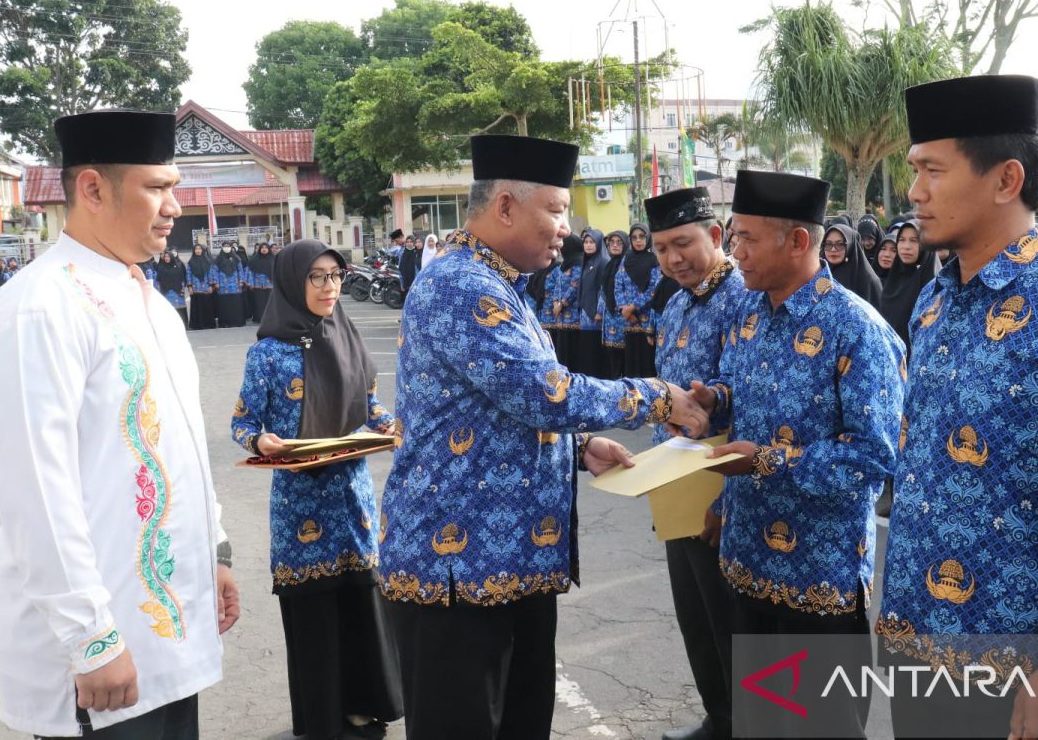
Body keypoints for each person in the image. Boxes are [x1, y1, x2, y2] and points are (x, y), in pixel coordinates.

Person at [378, 133, 709, 740]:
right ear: (505, 206)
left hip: (510, 561)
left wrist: (580, 448)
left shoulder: (500, 281)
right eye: (556, 209)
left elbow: (497, 405)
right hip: (460, 567)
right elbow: (544, 392)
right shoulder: (463, 285)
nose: (566, 226)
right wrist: (659, 396)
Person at [877, 74, 1038, 740]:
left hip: (1018, 668)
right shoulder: (936, 302)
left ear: (1005, 179)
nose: (914, 193)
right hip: (916, 642)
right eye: (914, 172)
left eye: (931, 171)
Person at [0, 109, 240, 739]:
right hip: (98, 655)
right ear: (92, 189)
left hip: (165, 639)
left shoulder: (149, 301)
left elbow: (178, 447)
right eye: (156, 187)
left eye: (174, 186)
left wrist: (215, 549)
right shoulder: (38, 309)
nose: (174, 206)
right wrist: (91, 638)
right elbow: (36, 492)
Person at [692, 170, 904, 739]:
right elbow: (747, 401)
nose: (734, 253)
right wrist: (714, 400)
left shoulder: (856, 329)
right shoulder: (750, 314)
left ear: (798, 242)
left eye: (746, 239)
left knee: (821, 729)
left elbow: (874, 455)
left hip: (818, 582)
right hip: (746, 564)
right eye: (732, 238)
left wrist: (765, 461)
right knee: (759, 725)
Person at [232, 239, 403, 740]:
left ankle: (361, 704)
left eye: (335, 277)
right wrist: (261, 439)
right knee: (314, 612)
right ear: (292, 282)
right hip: (299, 503)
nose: (329, 288)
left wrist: (393, 430)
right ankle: (323, 716)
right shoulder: (266, 353)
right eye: (317, 278)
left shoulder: (348, 337)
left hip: (351, 497)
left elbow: (373, 410)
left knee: (358, 603)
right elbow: (243, 422)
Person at [645, 187, 744, 740]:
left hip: (724, 482)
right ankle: (720, 717)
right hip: (675, 481)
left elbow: (750, 398)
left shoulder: (744, 298)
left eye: (682, 243)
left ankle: (744, 721)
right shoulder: (676, 303)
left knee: (733, 621)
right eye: (661, 249)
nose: (672, 259)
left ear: (716, 235)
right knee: (696, 616)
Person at [878, 219, 940, 350]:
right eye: (901, 240)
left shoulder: (935, 286)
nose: (906, 246)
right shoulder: (893, 281)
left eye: (914, 240)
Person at [617, 223, 662, 376]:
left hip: (646, 320)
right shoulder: (625, 260)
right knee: (632, 362)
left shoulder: (654, 260)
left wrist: (633, 306)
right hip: (629, 320)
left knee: (646, 361)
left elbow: (654, 289)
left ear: (648, 238)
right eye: (634, 237)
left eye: (642, 237)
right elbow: (618, 285)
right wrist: (624, 309)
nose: (638, 241)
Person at [823, 223, 883, 309]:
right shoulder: (819, 274)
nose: (833, 249)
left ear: (851, 246)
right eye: (828, 244)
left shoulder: (868, 281)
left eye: (840, 244)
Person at [575, 228, 609, 377]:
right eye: (586, 242)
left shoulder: (603, 261)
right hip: (585, 313)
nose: (588, 245)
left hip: (596, 315)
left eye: (592, 242)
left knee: (595, 351)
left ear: (599, 243)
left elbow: (604, 289)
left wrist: (599, 311)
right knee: (587, 350)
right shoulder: (587, 260)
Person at [551, 233, 584, 366]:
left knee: (573, 354)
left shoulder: (578, 263)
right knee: (562, 352)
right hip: (560, 317)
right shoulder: (563, 265)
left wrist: (562, 304)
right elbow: (557, 286)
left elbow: (575, 285)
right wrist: (555, 303)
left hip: (574, 316)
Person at [599, 230, 629, 378]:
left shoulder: (628, 263)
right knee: (612, 358)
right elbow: (603, 290)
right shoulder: (609, 264)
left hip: (624, 317)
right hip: (609, 316)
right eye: (612, 242)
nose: (615, 245)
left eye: (619, 242)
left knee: (624, 358)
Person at [213, 241, 246, 328]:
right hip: (223, 286)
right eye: (225, 246)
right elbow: (215, 271)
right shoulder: (218, 258)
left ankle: (237, 322)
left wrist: (241, 281)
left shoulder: (236, 258)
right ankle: (225, 323)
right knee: (225, 305)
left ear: (231, 247)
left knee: (235, 304)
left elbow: (240, 270)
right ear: (222, 247)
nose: (226, 248)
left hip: (235, 285)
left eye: (228, 246)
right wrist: (216, 282)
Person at [186, 244, 217, 330]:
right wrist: (189, 286)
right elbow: (188, 274)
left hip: (206, 288)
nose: (198, 250)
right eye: (196, 249)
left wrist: (211, 286)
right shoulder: (190, 262)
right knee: (197, 308)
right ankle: (197, 325)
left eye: (199, 249)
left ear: (202, 250)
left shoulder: (208, 261)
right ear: (194, 250)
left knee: (207, 307)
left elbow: (211, 274)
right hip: (195, 289)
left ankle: (208, 324)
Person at [155, 249, 188, 326]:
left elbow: (182, 279)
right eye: (165, 257)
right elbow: (158, 280)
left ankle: (182, 325)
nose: (166, 258)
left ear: (171, 257)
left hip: (178, 292)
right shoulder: (161, 268)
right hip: (166, 292)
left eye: (168, 256)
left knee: (179, 310)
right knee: (168, 310)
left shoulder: (178, 267)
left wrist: (182, 290)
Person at [246, 242, 274, 323]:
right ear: (260, 249)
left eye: (266, 248)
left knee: (270, 303)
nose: (264, 249)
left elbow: (277, 272)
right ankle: (260, 319)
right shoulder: (254, 259)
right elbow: (250, 272)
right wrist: (251, 283)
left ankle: (270, 319)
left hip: (270, 285)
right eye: (262, 248)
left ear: (268, 249)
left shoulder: (273, 259)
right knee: (259, 303)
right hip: (257, 285)